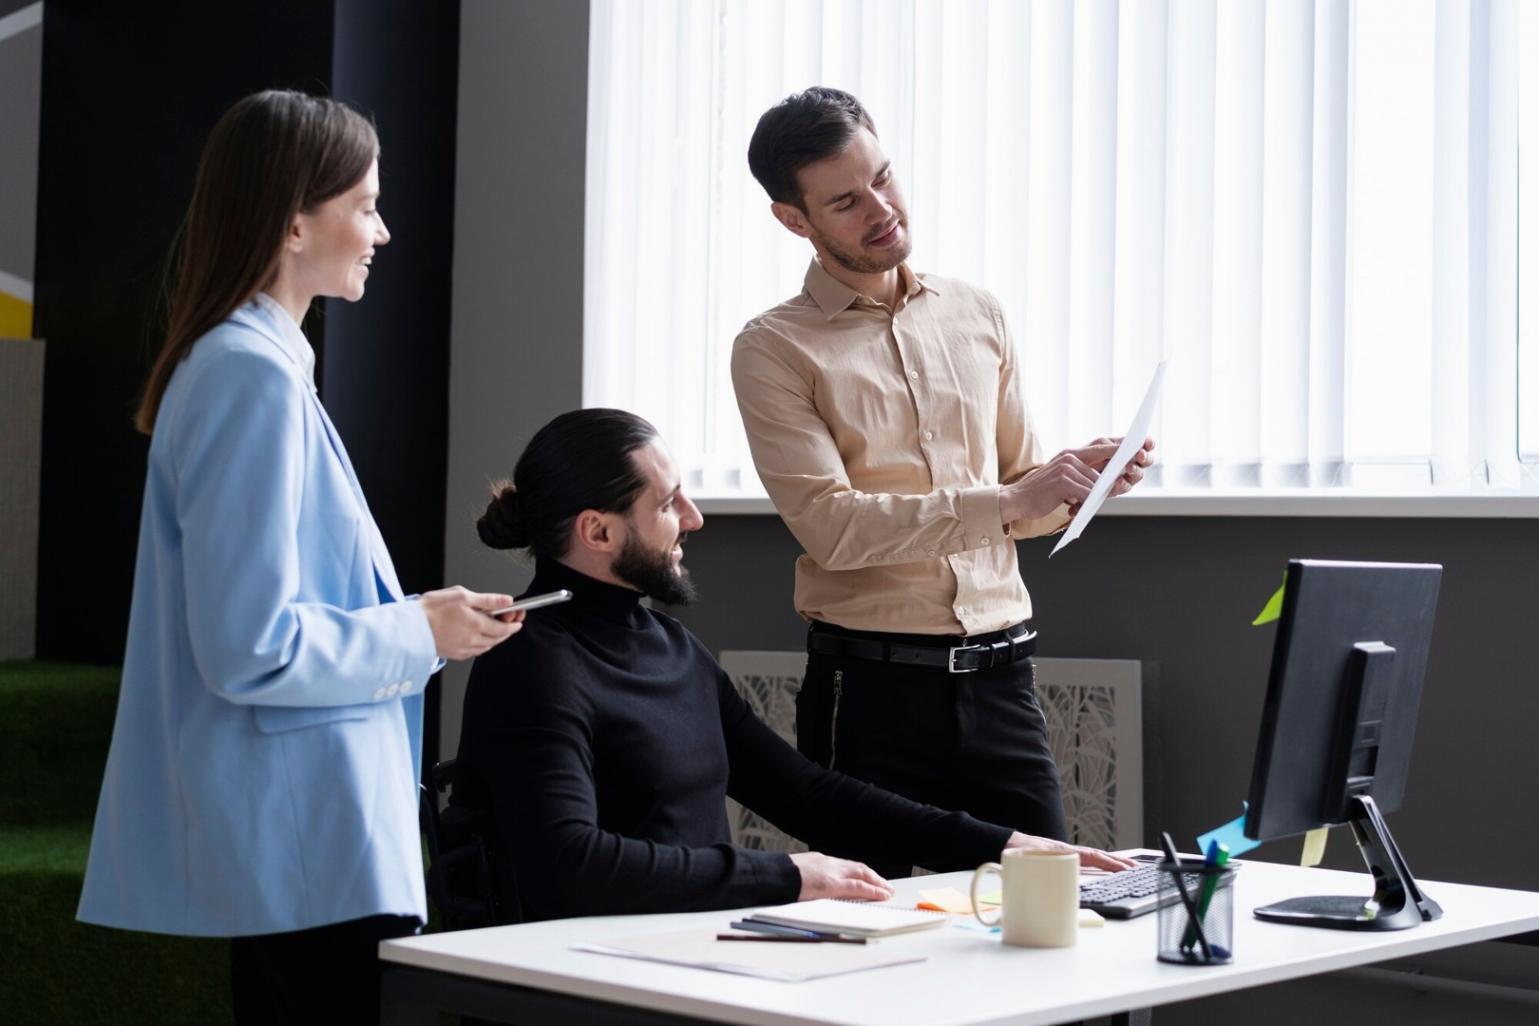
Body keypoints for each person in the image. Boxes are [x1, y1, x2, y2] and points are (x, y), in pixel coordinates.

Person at [76, 90, 523, 1025]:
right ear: (291, 222)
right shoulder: (247, 375)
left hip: (310, 841)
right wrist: (418, 631)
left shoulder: (251, 366)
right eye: (363, 205)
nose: (383, 230)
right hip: (307, 844)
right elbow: (250, 646)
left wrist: (420, 621)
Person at [451, 409, 1131, 924]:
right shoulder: (528, 661)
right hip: (592, 969)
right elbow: (568, 866)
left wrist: (1008, 843)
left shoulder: (670, 647)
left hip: (692, 946)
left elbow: (806, 792)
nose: (693, 519)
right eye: (666, 503)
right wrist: (788, 876)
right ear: (597, 532)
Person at [730, 87, 1154, 878]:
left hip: (1004, 683)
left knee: (1047, 916)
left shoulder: (976, 313)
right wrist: (1013, 500)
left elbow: (1018, 501)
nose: (882, 209)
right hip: (869, 694)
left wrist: (1075, 484)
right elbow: (831, 527)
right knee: (874, 940)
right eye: (847, 202)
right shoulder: (773, 349)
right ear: (796, 221)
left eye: (884, 178)